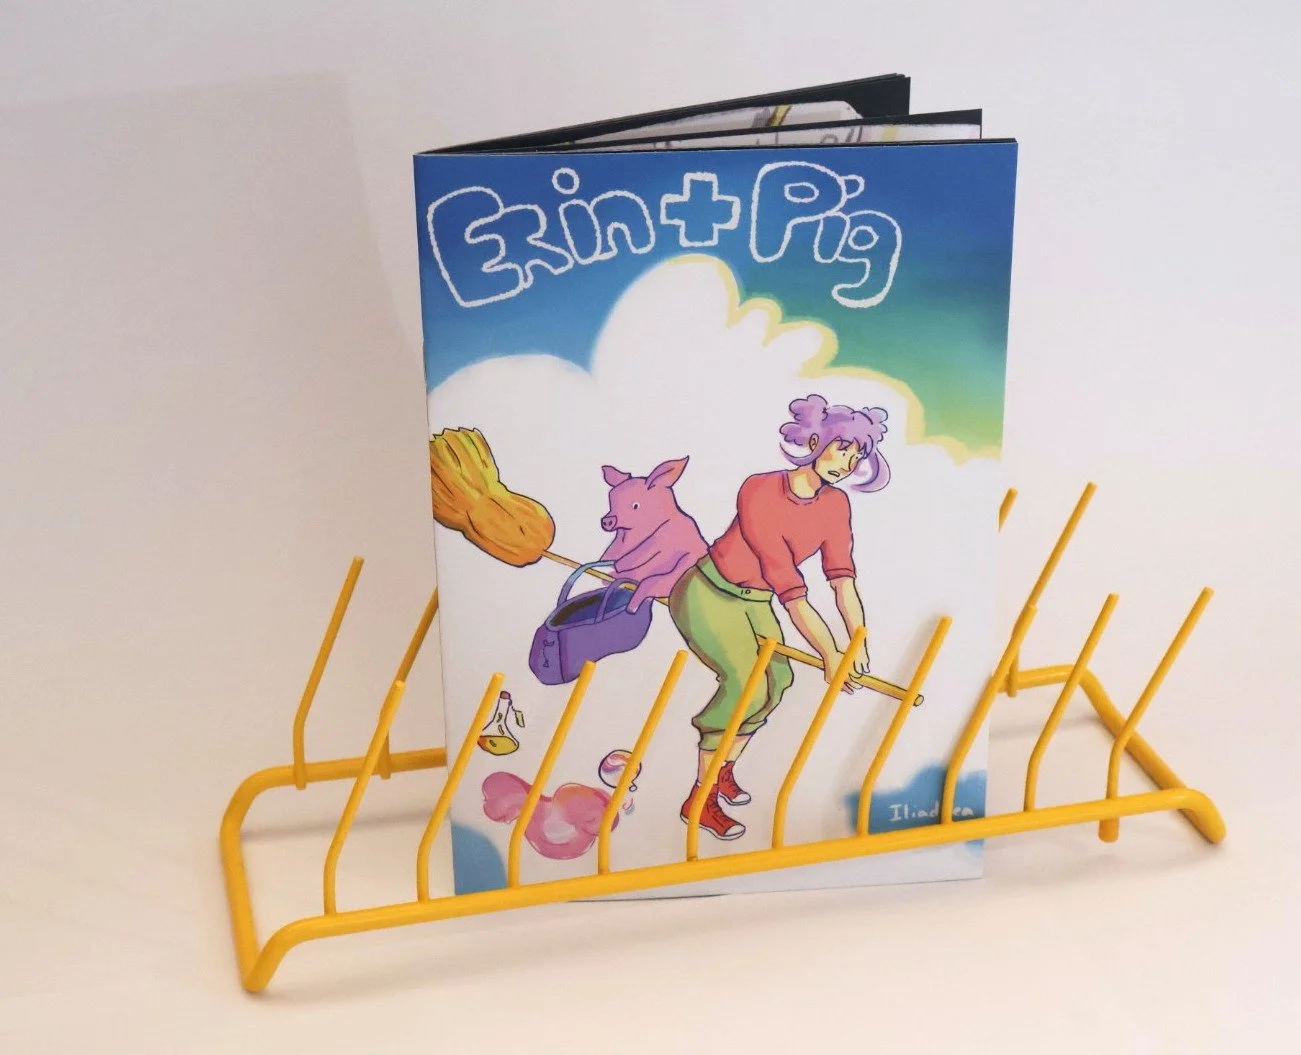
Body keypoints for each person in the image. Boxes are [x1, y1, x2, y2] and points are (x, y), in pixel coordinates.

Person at [668, 395, 891, 841]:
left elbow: (842, 579)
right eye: (841, 449)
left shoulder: (835, 505)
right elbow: (789, 586)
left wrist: (857, 643)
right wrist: (829, 653)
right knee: (744, 684)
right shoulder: (760, 490)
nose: (846, 464)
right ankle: (700, 798)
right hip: (708, 591)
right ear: (814, 440)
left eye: (856, 457)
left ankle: (723, 767)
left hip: (756, 602)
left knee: (778, 680)